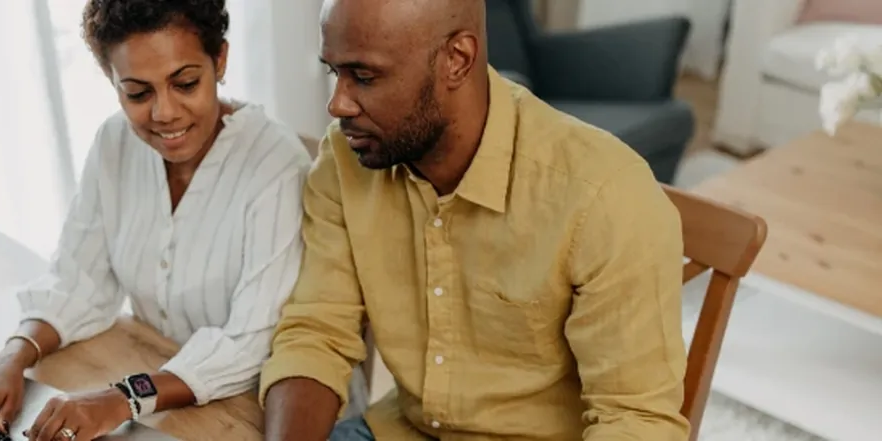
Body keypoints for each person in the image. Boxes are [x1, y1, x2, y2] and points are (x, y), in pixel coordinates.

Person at [258, 0, 691, 440]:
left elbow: (636, 421)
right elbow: (316, 332)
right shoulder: (346, 159)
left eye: (365, 77)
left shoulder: (604, 197)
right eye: (335, 73)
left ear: (457, 60)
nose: (337, 105)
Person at [0, 1, 312, 440]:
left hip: (263, 413)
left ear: (220, 59)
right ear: (112, 80)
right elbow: (76, 279)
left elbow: (250, 343)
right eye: (138, 93)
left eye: (185, 83)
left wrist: (122, 397)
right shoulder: (114, 143)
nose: (164, 113)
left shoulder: (275, 164)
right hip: (159, 392)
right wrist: (9, 360)